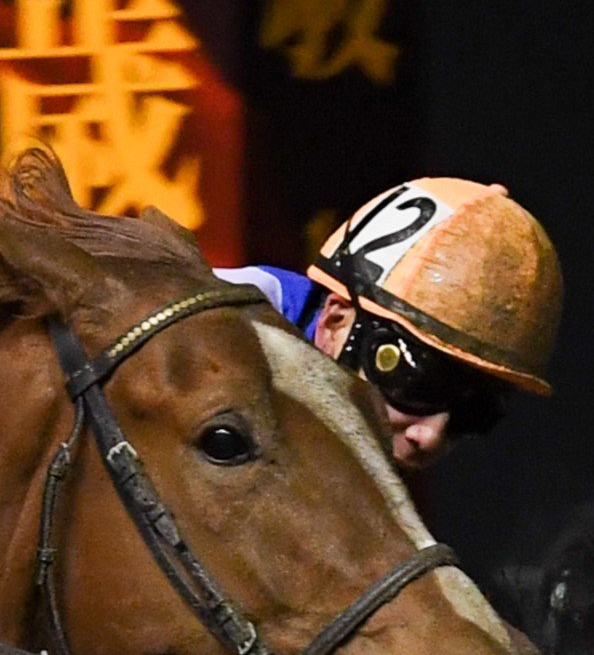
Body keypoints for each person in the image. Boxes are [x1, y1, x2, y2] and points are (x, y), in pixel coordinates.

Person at [225, 176, 563, 474]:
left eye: (472, 414)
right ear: (335, 323)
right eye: (419, 386)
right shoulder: (213, 329)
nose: (429, 438)